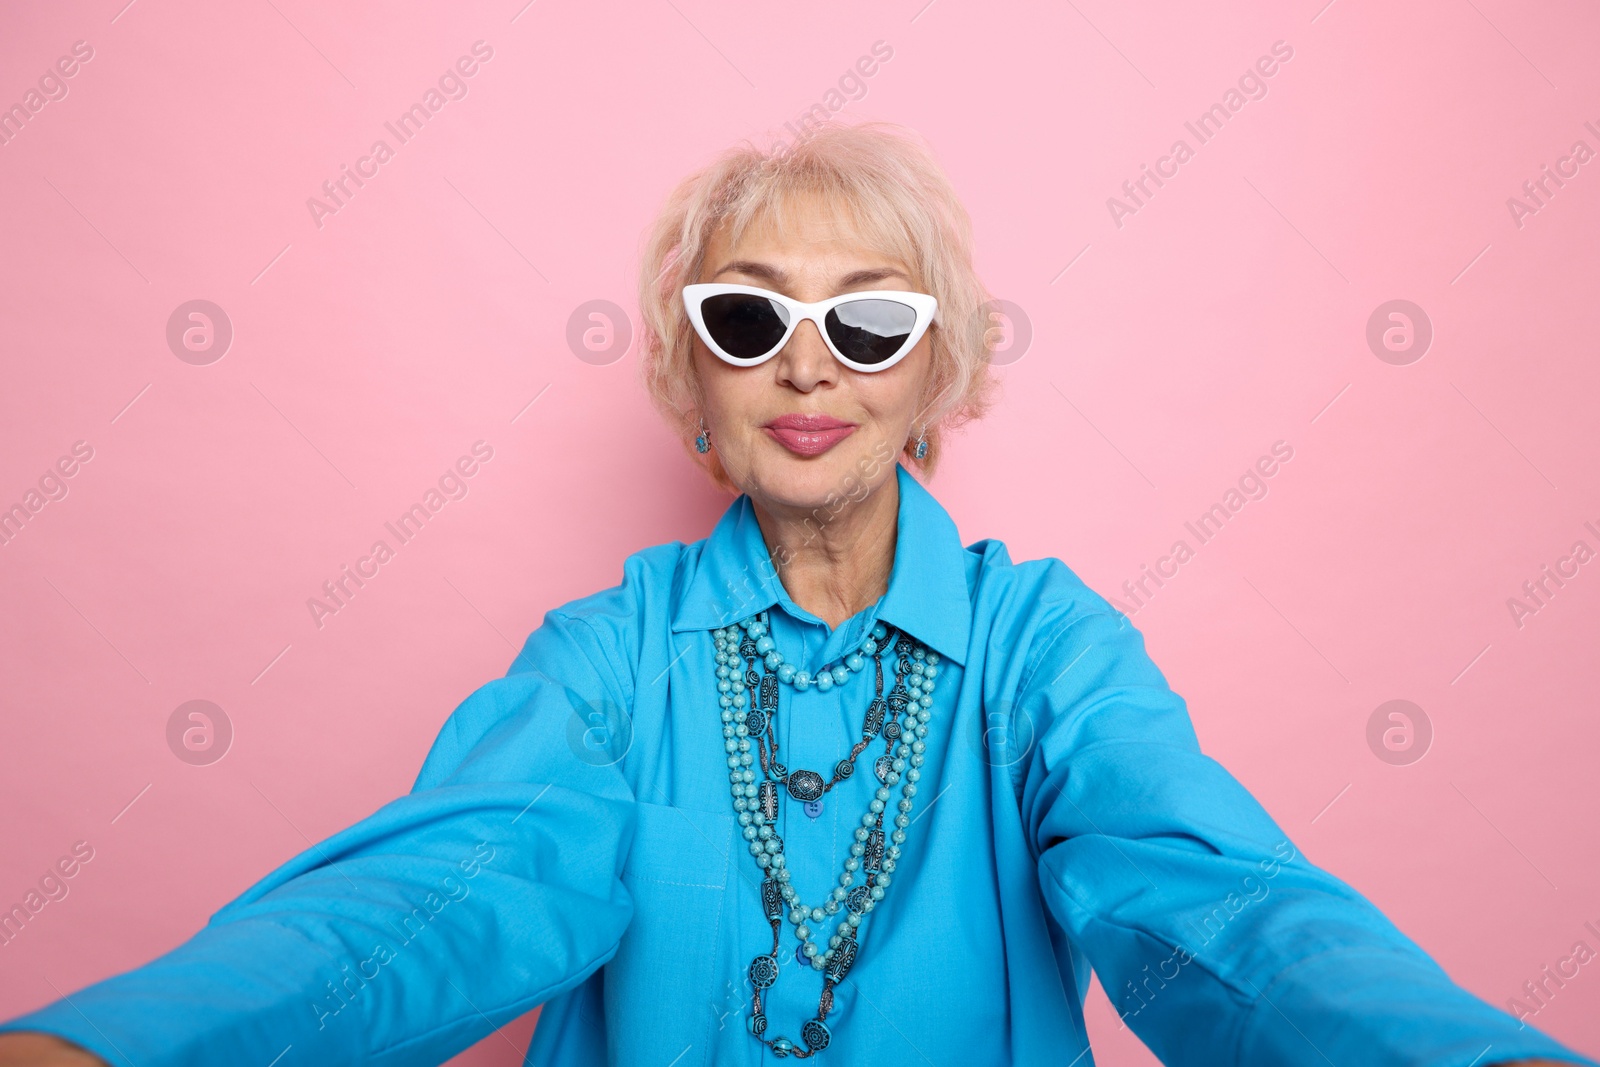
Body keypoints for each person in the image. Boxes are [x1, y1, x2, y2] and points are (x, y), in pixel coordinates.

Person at [0, 121, 1590, 1067]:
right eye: (747, 318)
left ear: (940, 378)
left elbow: (1214, 901)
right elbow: (444, 891)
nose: (810, 360)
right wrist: (114, 1049)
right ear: (693, 379)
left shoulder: (1043, 652)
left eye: (872, 321)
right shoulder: (608, 660)